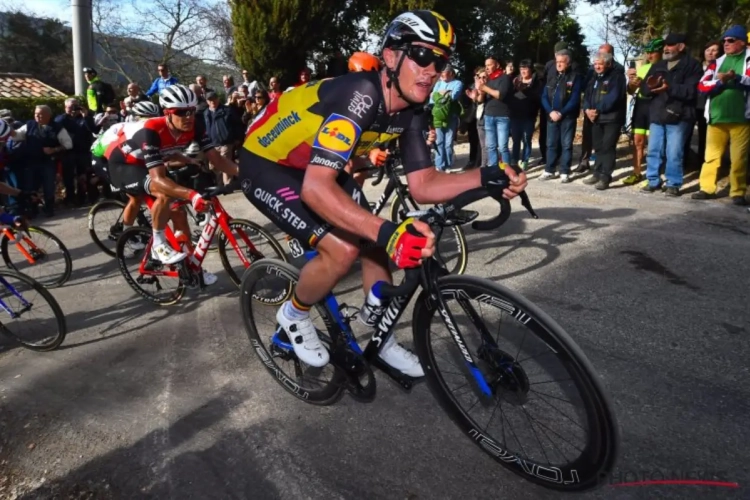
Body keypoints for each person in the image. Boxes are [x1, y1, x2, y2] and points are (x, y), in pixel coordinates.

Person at [237, 10, 528, 375]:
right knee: (343, 250)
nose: (432, 69)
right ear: (391, 56)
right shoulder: (361, 94)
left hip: (313, 166)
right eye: (422, 55)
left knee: (373, 238)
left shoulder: (412, 109)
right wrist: (389, 233)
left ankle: (382, 337)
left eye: (441, 61)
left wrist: (487, 175)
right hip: (266, 163)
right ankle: (293, 314)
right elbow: (315, 188)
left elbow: (423, 185)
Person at [104, 84, 239, 275]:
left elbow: (216, 159)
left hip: (149, 165)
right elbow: (158, 179)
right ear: (167, 113)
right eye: (181, 112)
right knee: (164, 193)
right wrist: (193, 195)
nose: (188, 117)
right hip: (125, 166)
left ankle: (192, 270)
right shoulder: (151, 129)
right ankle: (157, 245)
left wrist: (245, 173)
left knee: (180, 214)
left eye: (191, 111)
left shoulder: (195, 125)